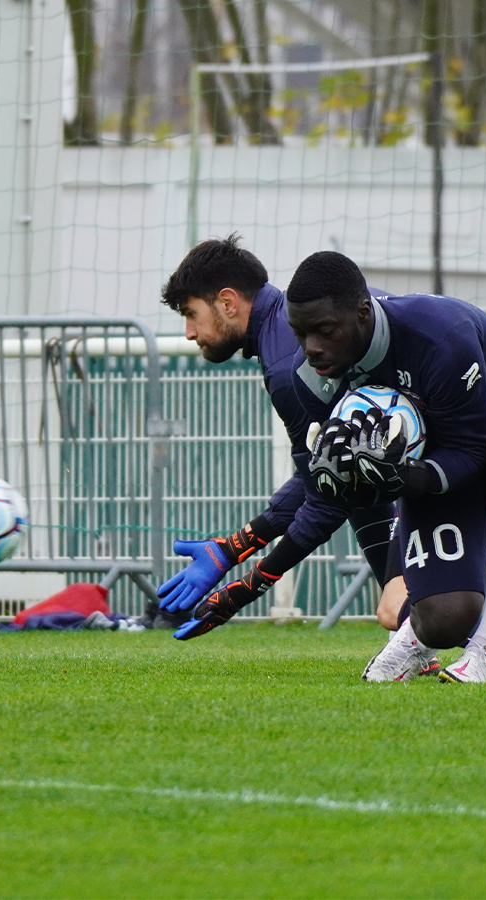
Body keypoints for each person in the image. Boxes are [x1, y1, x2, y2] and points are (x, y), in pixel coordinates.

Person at [287, 251, 486, 683]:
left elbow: (473, 450)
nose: (311, 348)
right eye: (300, 333)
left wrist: (404, 478)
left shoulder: (439, 334)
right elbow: (344, 482)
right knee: (445, 618)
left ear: (363, 313)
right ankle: (415, 641)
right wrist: (356, 486)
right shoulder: (309, 378)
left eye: (324, 331)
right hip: (439, 463)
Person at [152, 237, 399, 646]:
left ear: (228, 303)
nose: (190, 332)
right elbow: (326, 473)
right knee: (360, 476)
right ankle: (426, 640)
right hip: (457, 422)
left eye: (191, 314)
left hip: (471, 428)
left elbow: (325, 492)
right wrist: (234, 547)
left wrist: (246, 576)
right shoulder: (287, 335)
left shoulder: (289, 363)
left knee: (359, 480)